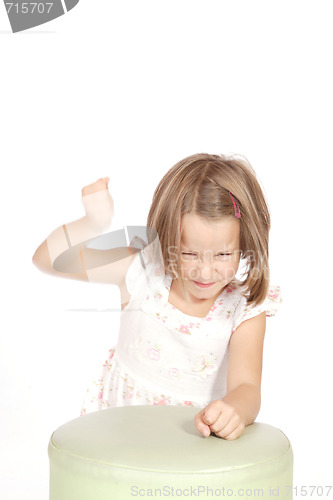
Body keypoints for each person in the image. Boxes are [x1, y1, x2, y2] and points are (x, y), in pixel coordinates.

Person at [32, 153, 281, 441]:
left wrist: (234, 410)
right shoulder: (140, 271)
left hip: (190, 450)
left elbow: (247, 387)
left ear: (245, 245)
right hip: (117, 436)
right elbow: (47, 259)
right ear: (165, 237)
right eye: (189, 253)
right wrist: (91, 222)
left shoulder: (243, 309)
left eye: (223, 254)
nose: (205, 270)